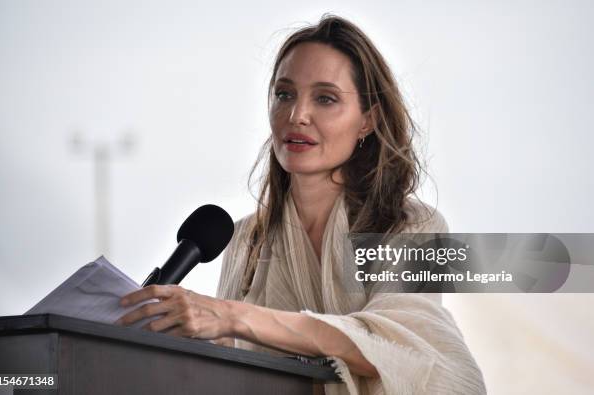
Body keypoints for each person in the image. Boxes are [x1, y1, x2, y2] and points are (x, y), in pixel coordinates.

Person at [116, 14, 486, 394]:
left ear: (367, 120)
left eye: (325, 98)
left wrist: (230, 317)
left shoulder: (417, 225)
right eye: (284, 94)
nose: (297, 115)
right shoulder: (246, 238)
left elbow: (398, 348)